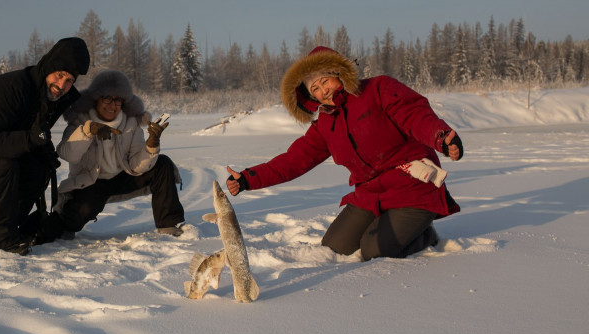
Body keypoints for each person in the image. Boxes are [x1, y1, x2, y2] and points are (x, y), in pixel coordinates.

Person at [226, 46, 463, 261]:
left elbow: (414, 115)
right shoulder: (325, 125)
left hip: (412, 186)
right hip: (371, 193)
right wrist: (248, 178)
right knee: (335, 246)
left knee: (374, 249)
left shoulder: (378, 89)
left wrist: (441, 137)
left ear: (338, 73)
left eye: (324, 80)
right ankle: (396, 227)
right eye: (315, 89)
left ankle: (424, 235)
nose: (323, 90)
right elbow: (293, 161)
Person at [0, 37, 90, 255]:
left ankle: (11, 228)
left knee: (38, 166)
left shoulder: (53, 95)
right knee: (3, 162)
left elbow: (32, 129)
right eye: (59, 75)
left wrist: (44, 149)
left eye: (69, 80)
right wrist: (32, 139)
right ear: (48, 67)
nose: (61, 85)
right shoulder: (12, 87)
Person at [24, 70, 185, 245]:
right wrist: (88, 131)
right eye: (107, 98)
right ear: (96, 99)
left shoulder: (131, 123)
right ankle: (64, 221)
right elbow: (67, 154)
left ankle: (170, 225)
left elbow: (136, 165)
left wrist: (151, 145)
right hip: (92, 183)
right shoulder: (80, 121)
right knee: (78, 215)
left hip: (123, 177)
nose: (112, 105)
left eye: (118, 100)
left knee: (163, 164)